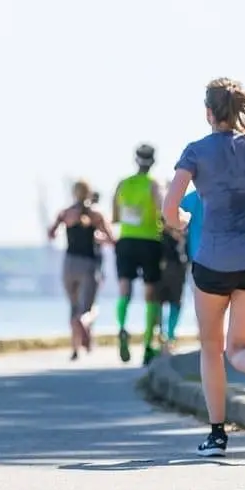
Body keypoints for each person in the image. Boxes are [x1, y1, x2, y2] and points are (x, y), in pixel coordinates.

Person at [163, 77, 245, 458]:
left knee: (211, 348)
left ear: (208, 112)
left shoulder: (195, 151)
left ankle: (217, 434)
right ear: (238, 110)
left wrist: (181, 223)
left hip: (213, 263)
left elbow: (169, 207)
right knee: (241, 347)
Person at [48, 180, 115, 360]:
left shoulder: (65, 213)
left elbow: (51, 234)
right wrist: (101, 238)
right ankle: (84, 323)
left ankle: (75, 348)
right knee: (88, 308)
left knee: (73, 305)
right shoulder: (96, 215)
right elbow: (112, 239)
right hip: (88, 264)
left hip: (69, 264)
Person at [113, 144, 164, 365]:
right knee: (150, 293)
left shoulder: (122, 184)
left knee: (125, 288)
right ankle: (147, 344)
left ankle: (122, 327)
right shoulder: (154, 185)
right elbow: (162, 212)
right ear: (152, 162)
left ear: (136, 160)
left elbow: (114, 216)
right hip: (150, 241)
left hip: (126, 239)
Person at [156, 212, 190, 351]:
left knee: (174, 304)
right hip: (166, 273)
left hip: (175, 273)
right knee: (164, 304)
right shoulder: (161, 238)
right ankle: (164, 334)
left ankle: (169, 335)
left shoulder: (182, 238)